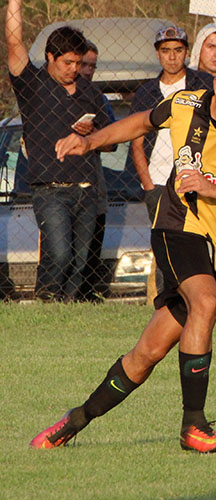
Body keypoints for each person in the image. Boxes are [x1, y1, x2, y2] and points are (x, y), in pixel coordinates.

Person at [30, 44, 216, 453]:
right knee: (205, 302)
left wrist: (214, 188)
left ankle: (70, 423)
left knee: (146, 353)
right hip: (176, 226)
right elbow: (138, 123)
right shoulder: (185, 104)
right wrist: (92, 141)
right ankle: (194, 427)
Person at [6, 0, 113, 301]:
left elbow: (113, 140)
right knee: (60, 254)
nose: (75, 69)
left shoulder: (90, 92)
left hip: (87, 189)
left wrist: (93, 134)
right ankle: (46, 302)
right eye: (68, 62)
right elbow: (14, 42)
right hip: (50, 190)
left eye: (79, 63)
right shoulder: (32, 84)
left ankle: (66, 312)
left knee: (79, 264)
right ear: (50, 57)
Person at [129, 26, 214, 222]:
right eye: (166, 51)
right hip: (158, 181)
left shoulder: (204, 84)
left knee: (198, 242)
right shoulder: (145, 93)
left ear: (186, 52)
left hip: (197, 178)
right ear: (158, 54)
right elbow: (137, 143)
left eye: (177, 50)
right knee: (164, 244)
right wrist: (148, 186)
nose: (172, 57)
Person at [78, 40, 117, 301]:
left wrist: (93, 136)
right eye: (84, 64)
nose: (89, 71)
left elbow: (112, 141)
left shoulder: (98, 99)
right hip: (56, 184)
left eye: (93, 66)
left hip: (93, 183)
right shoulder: (50, 97)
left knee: (91, 246)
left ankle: (88, 293)